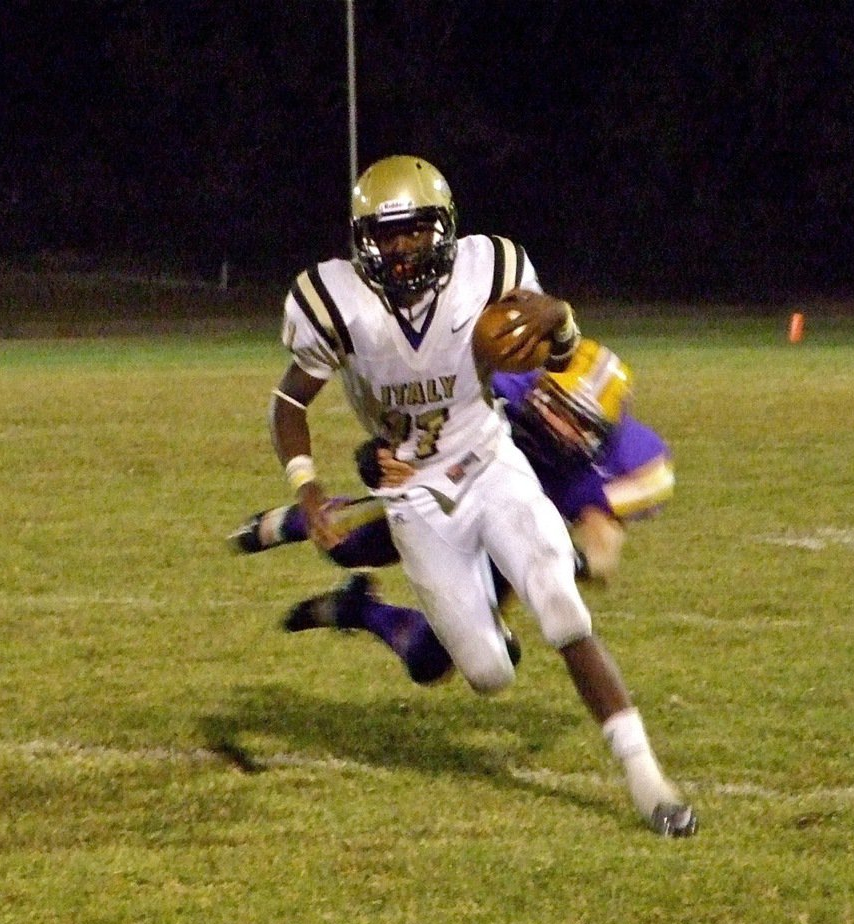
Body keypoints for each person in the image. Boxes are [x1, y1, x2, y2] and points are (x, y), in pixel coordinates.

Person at [263, 154, 696, 837]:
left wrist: (561, 321)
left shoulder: (490, 270)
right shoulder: (335, 303)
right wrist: (307, 483)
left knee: (558, 599)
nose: (402, 249)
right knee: (489, 671)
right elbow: (289, 400)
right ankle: (367, 595)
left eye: (415, 231)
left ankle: (646, 776)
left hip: (491, 459)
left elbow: (558, 358)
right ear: (359, 241)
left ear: (445, 230)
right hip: (413, 494)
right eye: (386, 234)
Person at [231, 335, 676, 584]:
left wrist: (571, 561)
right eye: (555, 405)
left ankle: (362, 611)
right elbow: (424, 427)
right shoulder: (505, 387)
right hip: (461, 481)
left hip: (517, 528)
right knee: (351, 547)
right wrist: (386, 454)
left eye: (577, 419)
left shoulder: (633, 461)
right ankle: (293, 521)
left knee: (435, 660)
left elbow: (603, 532)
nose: (560, 426)